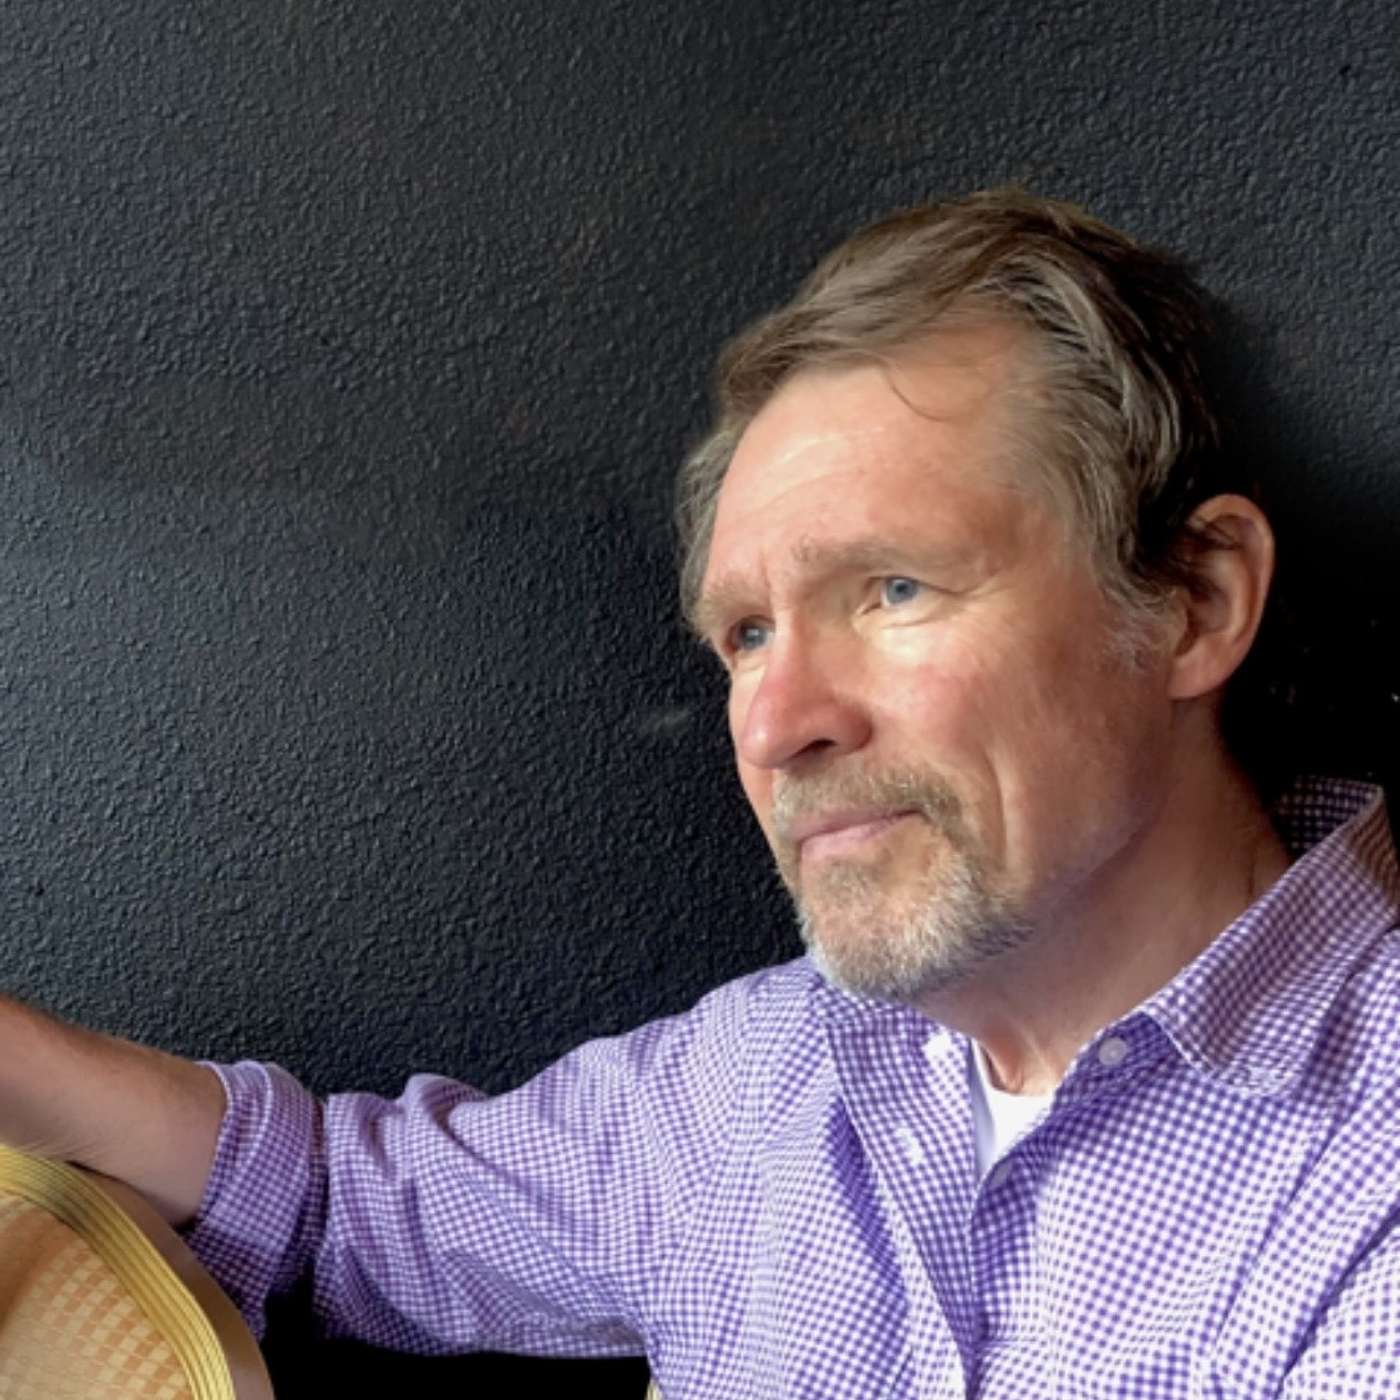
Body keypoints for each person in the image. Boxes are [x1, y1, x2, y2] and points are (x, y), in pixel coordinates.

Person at [3, 189, 1398, 1397]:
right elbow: (340, 1202)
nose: (777, 725)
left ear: (1195, 602)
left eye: (894, 588)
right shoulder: (768, 1073)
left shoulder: (1366, 1196)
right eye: (747, 635)